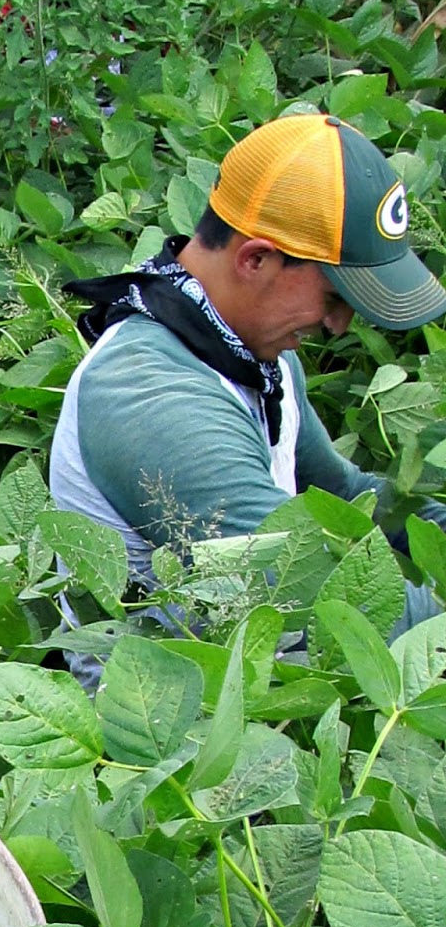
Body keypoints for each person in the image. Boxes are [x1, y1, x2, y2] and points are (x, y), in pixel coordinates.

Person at [49, 112, 446, 675]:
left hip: (254, 667)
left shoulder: (251, 350)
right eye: (334, 298)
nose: (338, 326)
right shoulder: (150, 396)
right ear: (255, 258)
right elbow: (307, 582)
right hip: (165, 724)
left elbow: (340, 493)